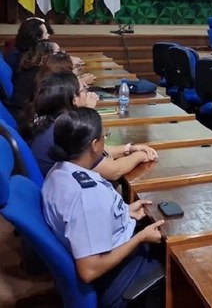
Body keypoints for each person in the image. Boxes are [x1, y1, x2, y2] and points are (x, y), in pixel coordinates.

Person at [41, 108, 165, 308]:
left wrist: (125, 213)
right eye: (103, 137)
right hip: (120, 282)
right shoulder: (85, 197)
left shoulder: (59, 171)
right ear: (94, 145)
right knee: (180, 261)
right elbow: (89, 270)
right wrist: (140, 238)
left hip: (111, 256)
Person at [23, 72, 157, 178]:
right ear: (74, 99)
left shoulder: (54, 120)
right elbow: (114, 171)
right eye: (83, 90)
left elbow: (94, 149)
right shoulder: (68, 129)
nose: (86, 92)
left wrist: (129, 149)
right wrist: (141, 156)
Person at [8, 39, 59, 121]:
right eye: (57, 53)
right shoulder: (37, 74)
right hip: (25, 118)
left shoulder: (30, 69)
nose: (61, 56)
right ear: (46, 55)